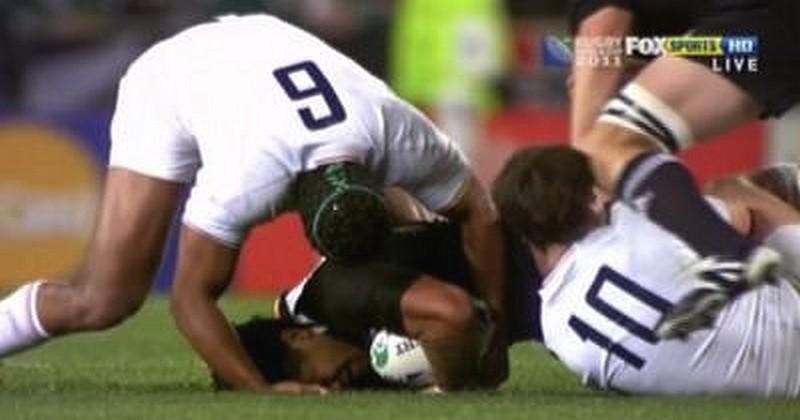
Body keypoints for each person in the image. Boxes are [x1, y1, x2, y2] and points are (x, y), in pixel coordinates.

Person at [0, 14, 507, 394]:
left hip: (263, 44)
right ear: (293, 216)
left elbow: (479, 211)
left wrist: (494, 333)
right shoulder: (247, 179)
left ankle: (387, 319)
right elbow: (189, 298)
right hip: (172, 79)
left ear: (376, 178)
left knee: (419, 224)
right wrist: (260, 391)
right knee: (106, 300)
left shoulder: (397, 132)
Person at [567, 0, 800, 339]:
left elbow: (601, 32)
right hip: (765, 27)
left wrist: (584, 165)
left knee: (606, 147)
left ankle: (727, 254)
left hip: (762, 27)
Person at [493, 145, 800, 396]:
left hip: (764, 391)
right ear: (593, 197)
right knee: (729, 189)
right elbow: (745, 219)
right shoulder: (634, 221)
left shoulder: (556, 333)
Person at [211, 216, 543, 391]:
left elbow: (453, 316)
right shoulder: (341, 345)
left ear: (299, 337)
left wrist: (454, 387)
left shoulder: (336, 293)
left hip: (541, 256)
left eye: (303, 373)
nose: (324, 387)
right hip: (539, 301)